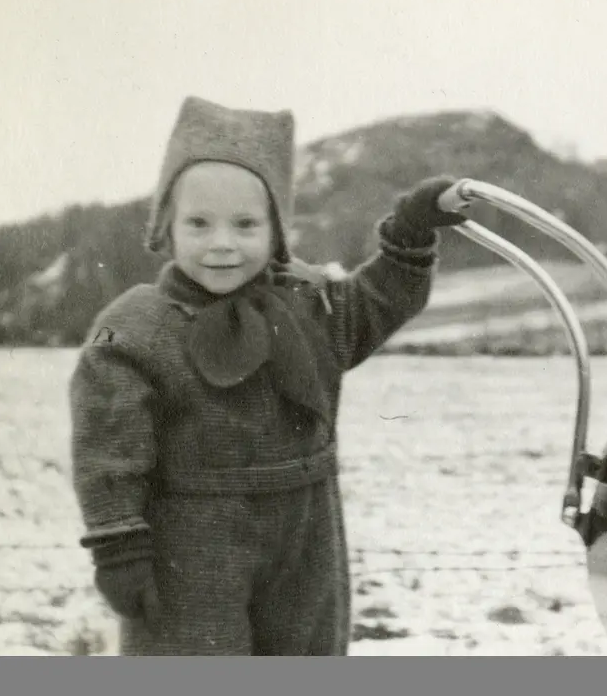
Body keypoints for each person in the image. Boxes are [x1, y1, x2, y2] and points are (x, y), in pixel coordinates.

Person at [68, 95, 466, 655]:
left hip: (306, 542)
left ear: (276, 230)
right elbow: (108, 446)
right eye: (199, 224)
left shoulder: (311, 307)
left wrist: (410, 231)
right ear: (167, 228)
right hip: (191, 546)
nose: (222, 243)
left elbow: (379, 298)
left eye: (246, 224)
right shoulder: (134, 329)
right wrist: (117, 542)